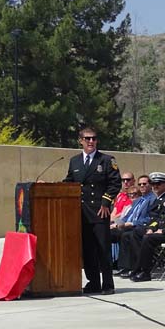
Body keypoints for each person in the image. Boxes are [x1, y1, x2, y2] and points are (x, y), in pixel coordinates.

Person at [63, 126, 121, 294]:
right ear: (80, 141)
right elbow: (70, 182)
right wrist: (52, 186)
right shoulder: (74, 161)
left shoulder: (107, 160)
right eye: (87, 138)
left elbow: (114, 184)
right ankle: (93, 282)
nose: (91, 141)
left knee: (103, 249)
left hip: (99, 211)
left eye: (94, 138)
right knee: (87, 250)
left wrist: (105, 202)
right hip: (80, 212)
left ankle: (108, 284)